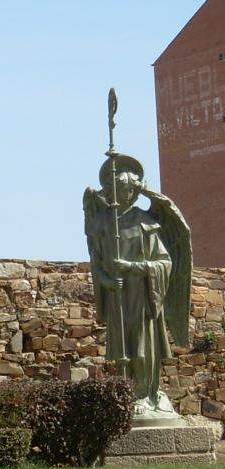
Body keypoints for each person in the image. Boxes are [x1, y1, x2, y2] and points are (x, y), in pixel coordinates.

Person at [84, 155, 191, 418]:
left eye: (121, 187)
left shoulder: (146, 221)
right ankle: (126, 394)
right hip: (118, 294)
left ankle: (144, 394)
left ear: (132, 191)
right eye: (111, 186)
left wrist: (132, 267)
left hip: (143, 295)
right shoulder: (102, 221)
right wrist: (107, 280)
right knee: (122, 349)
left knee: (142, 349)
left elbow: (164, 262)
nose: (114, 191)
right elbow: (95, 262)